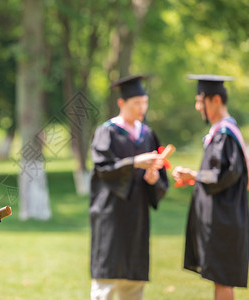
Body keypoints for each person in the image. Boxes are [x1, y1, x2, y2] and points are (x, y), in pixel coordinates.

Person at [172, 75, 249, 300]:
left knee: (222, 280)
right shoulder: (221, 133)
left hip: (225, 220)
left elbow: (225, 175)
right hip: (222, 219)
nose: (197, 106)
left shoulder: (225, 135)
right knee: (220, 280)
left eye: (201, 100)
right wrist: (195, 177)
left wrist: (195, 175)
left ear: (216, 100)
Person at [89, 75, 169, 300]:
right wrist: (134, 162)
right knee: (107, 279)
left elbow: (160, 179)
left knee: (133, 282)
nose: (142, 108)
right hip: (110, 215)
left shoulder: (148, 134)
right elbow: (103, 169)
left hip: (137, 217)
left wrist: (154, 180)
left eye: (145, 102)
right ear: (122, 103)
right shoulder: (107, 132)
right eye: (137, 103)